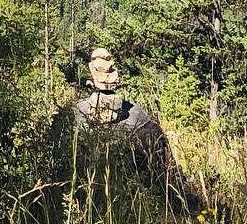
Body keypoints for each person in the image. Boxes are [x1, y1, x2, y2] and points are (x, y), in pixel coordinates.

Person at [73, 48, 206, 213]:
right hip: (136, 205)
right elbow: (163, 173)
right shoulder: (141, 119)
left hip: (95, 207)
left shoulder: (76, 114)